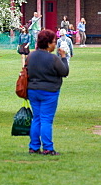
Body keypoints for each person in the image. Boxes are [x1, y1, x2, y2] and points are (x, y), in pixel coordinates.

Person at [26, 28, 69, 156]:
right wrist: (63, 57)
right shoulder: (53, 59)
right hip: (49, 92)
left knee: (37, 118)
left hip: (33, 90)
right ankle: (48, 147)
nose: (55, 44)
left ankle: (33, 146)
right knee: (46, 120)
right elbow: (64, 72)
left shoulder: (31, 55)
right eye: (54, 42)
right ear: (49, 43)